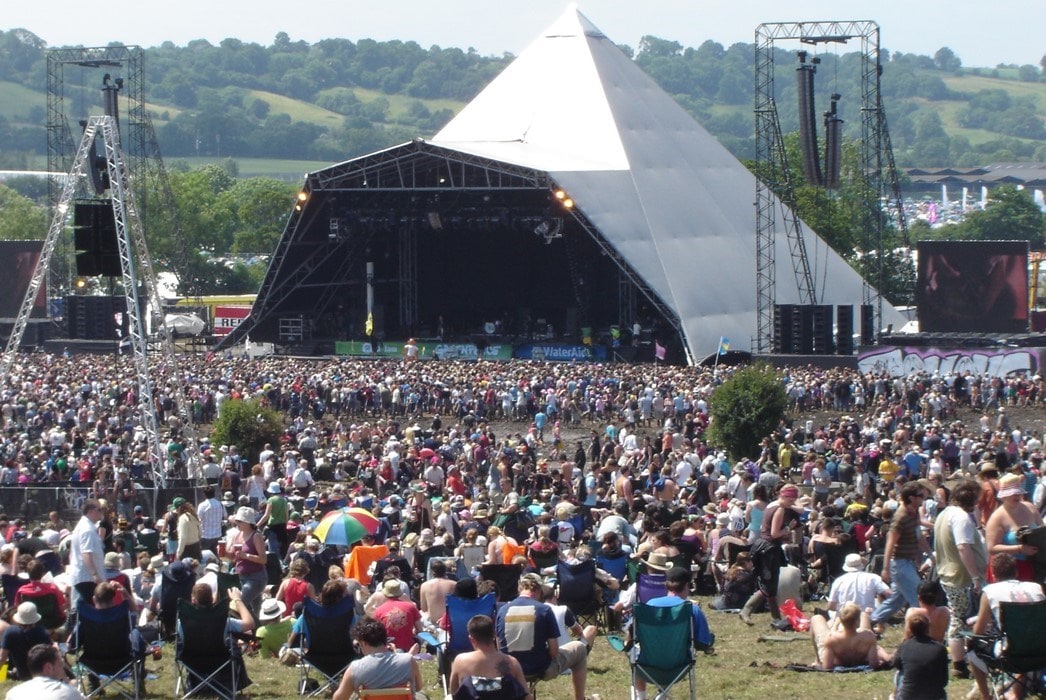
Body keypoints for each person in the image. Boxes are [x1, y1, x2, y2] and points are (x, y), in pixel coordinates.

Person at [497, 572, 588, 700]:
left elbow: (499, 646)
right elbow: (554, 651)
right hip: (539, 668)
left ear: (519, 588)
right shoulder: (544, 610)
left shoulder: (502, 610)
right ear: (539, 590)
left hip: (509, 670)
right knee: (580, 648)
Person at [967, 553, 1045, 700]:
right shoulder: (1036, 587)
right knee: (1024, 638)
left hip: (1010, 656)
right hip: (1040, 652)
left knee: (971, 648)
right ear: (1016, 572)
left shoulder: (990, 591)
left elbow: (978, 632)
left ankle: (985, 696)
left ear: (993, 574)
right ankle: (1016, 691)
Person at [932, 478, 988, 679]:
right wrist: (975, 577)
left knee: (959, 617)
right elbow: (963, 547)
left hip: (949, 573)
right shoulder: (961, 518)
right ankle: (959, 664)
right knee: (960, 619)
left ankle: (962, 659)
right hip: (961, 576)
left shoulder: (944, 514)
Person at [633, 566, 714, 700]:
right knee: (672, 647)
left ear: (667, 585)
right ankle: (662, 694)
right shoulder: (691, 609)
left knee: (635, 652)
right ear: (687, 585)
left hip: (647, 667)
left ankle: (641, 697)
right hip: (679, 667)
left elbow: (634, 636)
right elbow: (702, 643)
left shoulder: (649, 606)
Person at [871, 483, 933, 629]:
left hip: (908, 561)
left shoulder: (914, 513)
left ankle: (872, 620)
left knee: (896, 600)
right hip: (899, 563)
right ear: (911, 498)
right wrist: (885, 569)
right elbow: (890, 544)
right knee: (918, 598)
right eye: (920, 496)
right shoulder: (900, 517)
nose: (923, 498)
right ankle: (921, 631)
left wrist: (930, 553)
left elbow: (919, 536)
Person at [743, 484, 802, 625]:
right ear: (784, 496)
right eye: (791, 500)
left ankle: (776, 617)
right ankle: (746, 609)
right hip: (769, 547)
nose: (792, 503)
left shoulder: (771, 505)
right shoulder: (780, 509)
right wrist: (788, 528)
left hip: (763, 545)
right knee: (769, 585)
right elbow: (774, 534)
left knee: (771, 585)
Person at [332, 616, 423, 700]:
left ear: (363, 643)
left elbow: (339, 698)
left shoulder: (354, 669)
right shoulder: (408, 660)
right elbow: (418, 687)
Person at [448, 614, 530, 700]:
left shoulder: (460, 661)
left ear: (471, 639)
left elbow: (454, 692)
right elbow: (527, 697)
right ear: (494, 634)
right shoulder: (512, 662)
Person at [984, 473, 1041, 582]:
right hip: (1009, 570)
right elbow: (992, 548)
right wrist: (1019, 549)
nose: (1017, 496)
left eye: (1018, 493)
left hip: (1035, 564)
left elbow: (1042, 529)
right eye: (1013, 493)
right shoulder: (997, 517)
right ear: (1003, 496)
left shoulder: (1030, 507)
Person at [809, 602, 888, 670]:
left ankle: (817, 660)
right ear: (857, 621)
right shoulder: (868, 636)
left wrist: (836, 625)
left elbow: (827, 667)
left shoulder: (831, 638)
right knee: (862, 613)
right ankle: (844, 619)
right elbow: (874, 664)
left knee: (816, 618)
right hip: (859, 659)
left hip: (838, 660)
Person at [892, 611, 948, 700]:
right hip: (934, 697)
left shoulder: (904, 646)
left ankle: (894, 697)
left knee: (900, 672)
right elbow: (944, 681)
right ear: (928, 628)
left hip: (908, 697)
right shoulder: (940, 648)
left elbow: (896, 664)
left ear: (909, 629)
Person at [226, 506, 268, 618]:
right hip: (243, 576)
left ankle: (238, 630)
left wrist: (246, 556)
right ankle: (259, 630)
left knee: (238, 605)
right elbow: (234, 558)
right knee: (257, 610)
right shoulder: (237, 535)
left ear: (248, 522)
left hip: (256, 577)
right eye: (236, 521)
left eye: (239, 521)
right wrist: (224, 554)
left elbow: (263, 559)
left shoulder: (256, 536)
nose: (237, 523)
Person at [3, 643, 83, 700]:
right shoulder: (68, 693)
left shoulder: (13, 693)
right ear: (48, 667)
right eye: (60, 664)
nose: (62, 667)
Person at [0, 603, 52, 680]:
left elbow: (2, 658)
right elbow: (51, 655)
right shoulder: (41, 632)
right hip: (42, 673)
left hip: (23, 675)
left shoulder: (10, 632)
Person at [69, 499, 106, 605]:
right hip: (87, 579)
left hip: (85, 577)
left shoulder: (85, 526)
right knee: (87, 612)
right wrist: (95, 574)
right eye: (99, 509)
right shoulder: (87, 529)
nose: (101, 512)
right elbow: (86, 553)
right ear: (90, 511)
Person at [373, 579, 423, 652]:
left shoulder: (378, 611)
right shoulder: (411, 607)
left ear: (385, 593)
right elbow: (420, 630)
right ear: (399, 592)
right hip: (409, 648)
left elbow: (376, 634)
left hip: (389, 649)